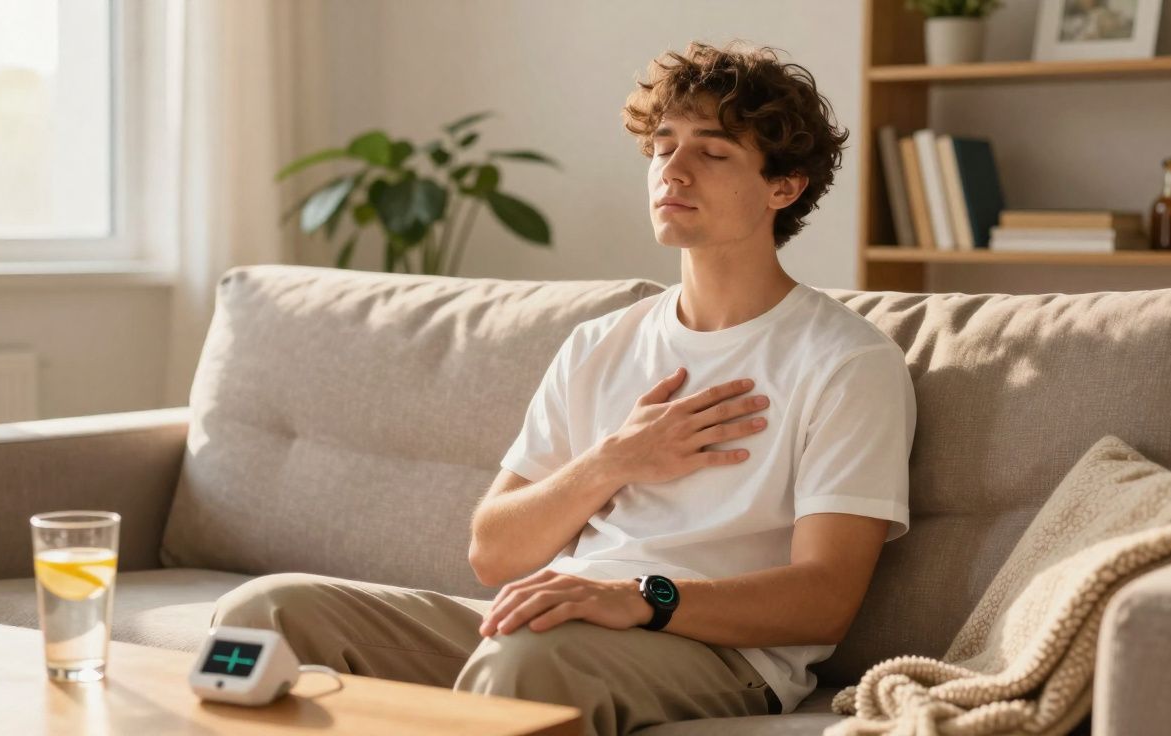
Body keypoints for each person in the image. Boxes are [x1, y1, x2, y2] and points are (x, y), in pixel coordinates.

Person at [211, 39, 916, 735]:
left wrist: (641, 597)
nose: (673, 170)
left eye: (713, 150)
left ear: (783, 187)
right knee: (264, 615)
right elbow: (494, 551)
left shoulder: (847, 362)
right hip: (562, 621)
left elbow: (824, 599)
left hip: (719, 654)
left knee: (525, 663)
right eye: (663, 146)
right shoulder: (599, 343)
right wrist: (615, 461)